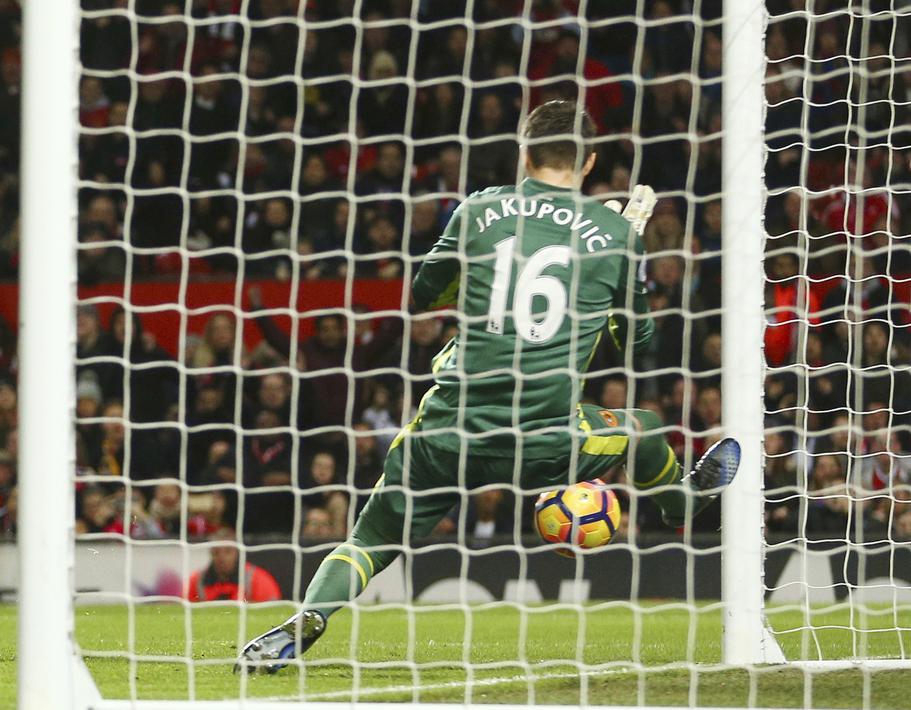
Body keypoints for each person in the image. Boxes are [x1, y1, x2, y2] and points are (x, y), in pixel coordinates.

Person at [236, 100, 741, 673]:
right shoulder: (613, 235)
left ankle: (309, 616)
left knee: (369, 539)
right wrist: (622, 261)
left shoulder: (477, 210)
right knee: (643, 429)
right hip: (541, 441)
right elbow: (636, 346)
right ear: (590, 161)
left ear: (524, 153)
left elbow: (424, 294)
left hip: (446, 432)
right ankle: (682, 505)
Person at [185, 530, 282, 603]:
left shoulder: (257, 579)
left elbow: (272, 610)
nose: (222, 557)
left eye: (228, 551)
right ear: (210, 553)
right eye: (216, 552)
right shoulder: (196, 581)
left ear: (237, 552)